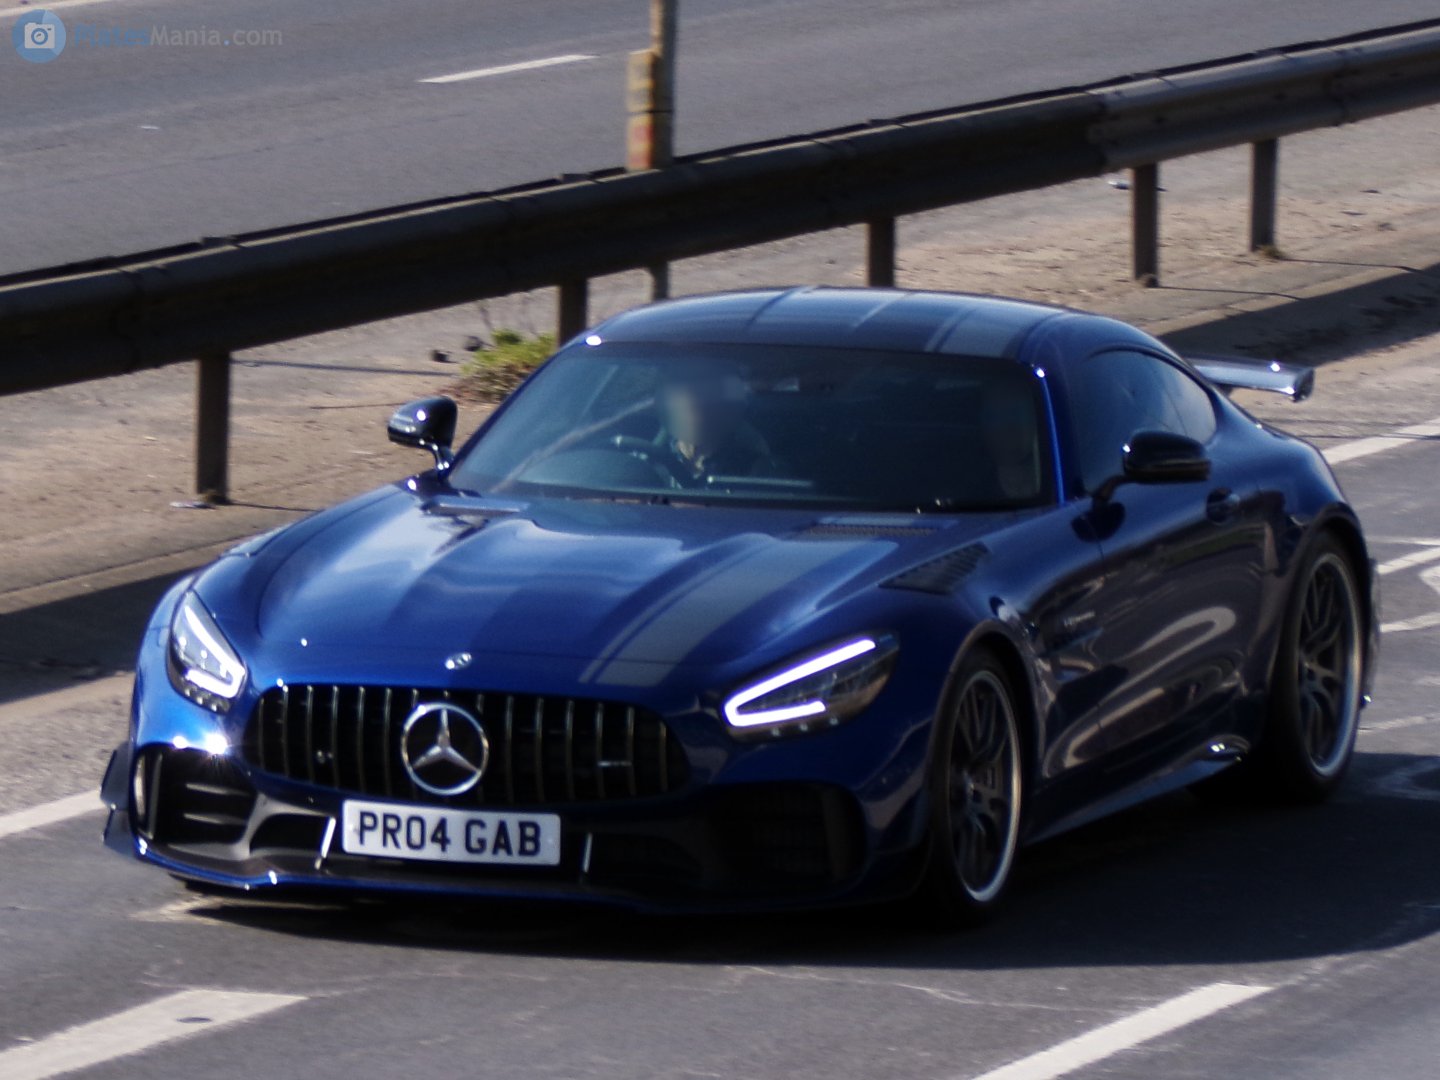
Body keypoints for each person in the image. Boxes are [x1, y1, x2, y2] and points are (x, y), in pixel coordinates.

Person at [656, 367, 776, 480]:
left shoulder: (754, 470)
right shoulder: (649, 459)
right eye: (685, 395)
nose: (695, 406)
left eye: (706, 396)